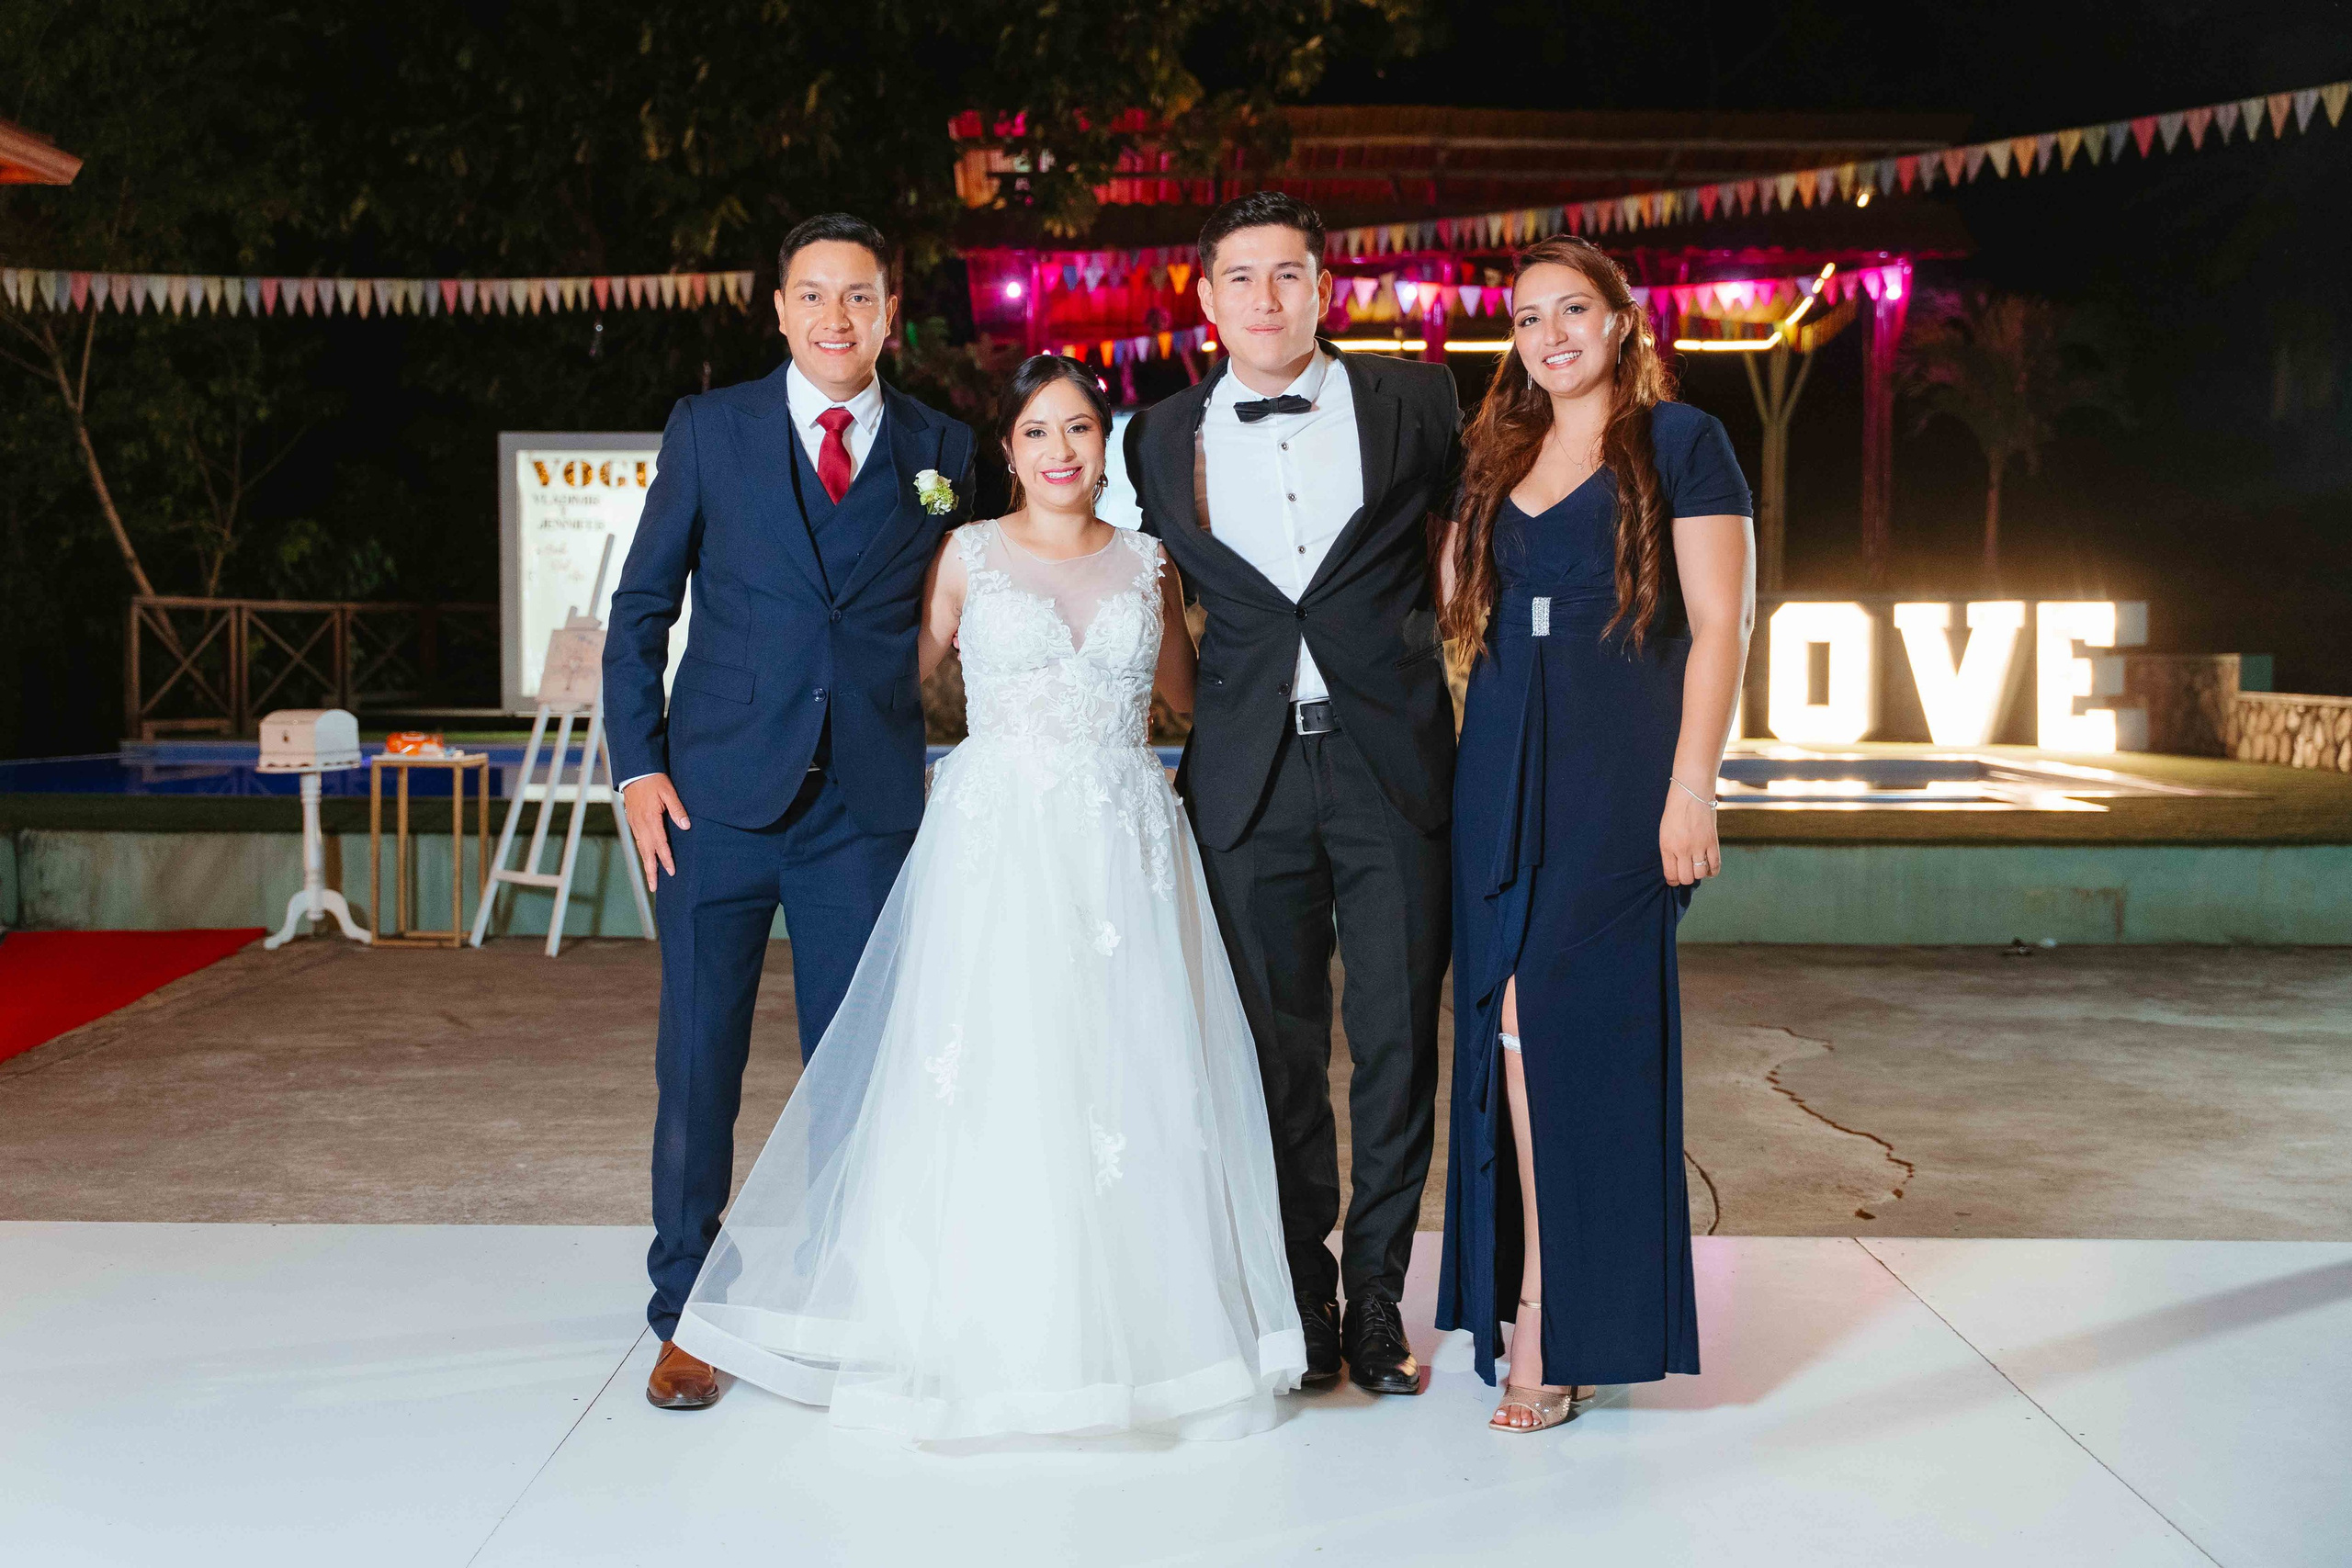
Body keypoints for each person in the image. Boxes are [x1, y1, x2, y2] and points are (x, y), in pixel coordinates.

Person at [670, 356, 1305, 1442]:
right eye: (1037, 432)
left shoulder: (1151, 566)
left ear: (1103, 447)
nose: (1061, 451)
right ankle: (963, 1321)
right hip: (993, 841)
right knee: (995, 1066)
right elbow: (884, 686)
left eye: (1080, 430)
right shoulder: (963, 554)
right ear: (1004, 452)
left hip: (1119, 844)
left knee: (1121, 1074)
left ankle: (1139, 1333)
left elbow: (1192, 699)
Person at [603, 213, 977, 1412]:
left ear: (888, 312)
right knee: (699, 1058)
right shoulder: (711, 430)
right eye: (812, 296)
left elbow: (985, 584)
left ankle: (840, 1295)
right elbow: (639, 609)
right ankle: (685, 1309)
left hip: (864, 805)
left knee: (853, 1070)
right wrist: (638, 766)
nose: (834, 318)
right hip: (713, 800)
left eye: (857, 297)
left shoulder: (942, 446)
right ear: (777, 310)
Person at [1123, 193, 1461, 1396]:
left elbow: (1495, 522)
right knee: (1271, 1049)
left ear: (1326, 289)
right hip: (1245, 773)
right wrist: (934, 520)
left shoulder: (1420, 406)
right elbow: (1041, 517)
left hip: (1392, 765)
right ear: (1205, 298)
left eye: (1289, 276)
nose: (1266, 299)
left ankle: (1378, 1292)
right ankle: (1298, 1291)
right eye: (1242, 278)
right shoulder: (1148, 440)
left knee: (1396, 1038)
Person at [1432, 235, 1755, 1432]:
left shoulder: (1683, 442)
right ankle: (1543, 1311)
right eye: (1527, 315)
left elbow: (1720, 623)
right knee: (1501, 1027)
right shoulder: (1499, 450)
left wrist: (1691, 784)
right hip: (1499, 772)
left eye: (1574, 308)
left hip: (1620, 776)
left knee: (1557, 1023)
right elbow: (1466, 607)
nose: (1550, 331)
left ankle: (1552, 1316)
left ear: (1624, 320)